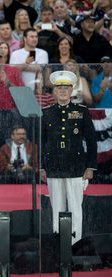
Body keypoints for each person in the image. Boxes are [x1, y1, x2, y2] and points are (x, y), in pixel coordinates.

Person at [40, 70, 97, 245]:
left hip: (75, 166)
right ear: (55, 91)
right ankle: (59, 245)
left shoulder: (81, 111)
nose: (63, 90)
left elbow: (91, 140)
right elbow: (42, 142)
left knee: (75, 208)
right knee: (56, 207)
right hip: (54, 166)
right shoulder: (46, 112)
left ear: (72, 89)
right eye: (59, 88)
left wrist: (90, 166)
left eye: (66, 87)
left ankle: (75, 244)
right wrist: (42, 167)